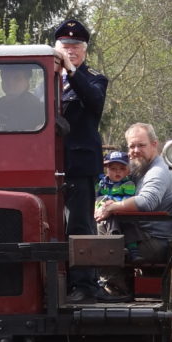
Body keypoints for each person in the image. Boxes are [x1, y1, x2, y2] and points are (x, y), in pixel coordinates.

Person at [53, 19, 109, 303]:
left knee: (79, 225)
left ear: (84, 51)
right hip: (46, 165)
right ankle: (52, 282)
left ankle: (84, 285)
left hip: (78, 166)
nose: (70, 50)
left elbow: (94, 101)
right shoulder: (45, 81)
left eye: (75, 46)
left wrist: (71, 70)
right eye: (65, 46)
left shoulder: (93, 79)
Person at [96, 122, 172, 265]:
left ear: (154, 144)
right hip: (139, 235)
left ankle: (114, 284)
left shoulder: (157, 171)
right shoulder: (140, 168)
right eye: (132, 146)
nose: (135, 150)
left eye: (141, 145)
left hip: (153, 241)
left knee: (95, 241)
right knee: (98, 228)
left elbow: (146, 202)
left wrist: (113, 207)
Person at [95, 150, 137, 215]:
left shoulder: (128, 184)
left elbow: (128, 200)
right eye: (113, 168)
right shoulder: (102, 183)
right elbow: (95, 196)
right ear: (106, 170)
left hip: (119, 215)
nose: (118, 171)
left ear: (127, 171)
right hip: (101, 211)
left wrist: (114, 203)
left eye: (122, 168)